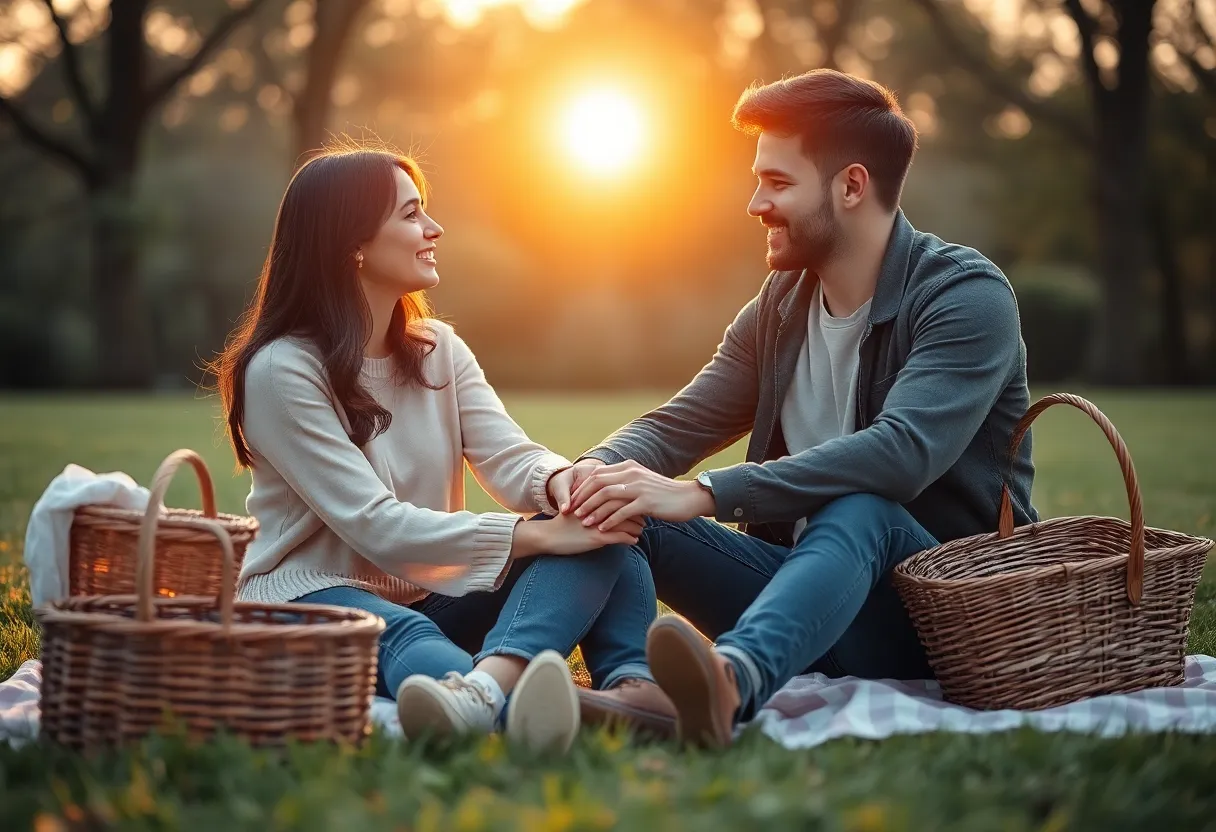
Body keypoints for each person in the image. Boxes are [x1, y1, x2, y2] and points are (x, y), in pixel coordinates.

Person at [550, 69, 1039, 747]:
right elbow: (677, 424)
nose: (755, 203)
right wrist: (587, 473)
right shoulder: (781, 306)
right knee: (616, 505)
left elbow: (900, 456)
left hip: (935, 623)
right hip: (800, 605)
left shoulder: (964, 295)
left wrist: (707, 492)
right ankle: (637, 693)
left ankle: (728, 685)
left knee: (862, 505)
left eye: (777, 183)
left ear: (851, 186)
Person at [210, 147, 665, 752]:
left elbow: (509, 456)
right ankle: (496, 701)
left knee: (608, 542)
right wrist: (536, 535)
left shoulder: (436, 349)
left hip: (429, 587)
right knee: (408, 641)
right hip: (310, 596)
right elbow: (375, 526)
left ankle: (623, 695)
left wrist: (566, 489)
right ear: (354, 244)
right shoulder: (281, 371)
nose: (434, 228)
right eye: (411, 213)